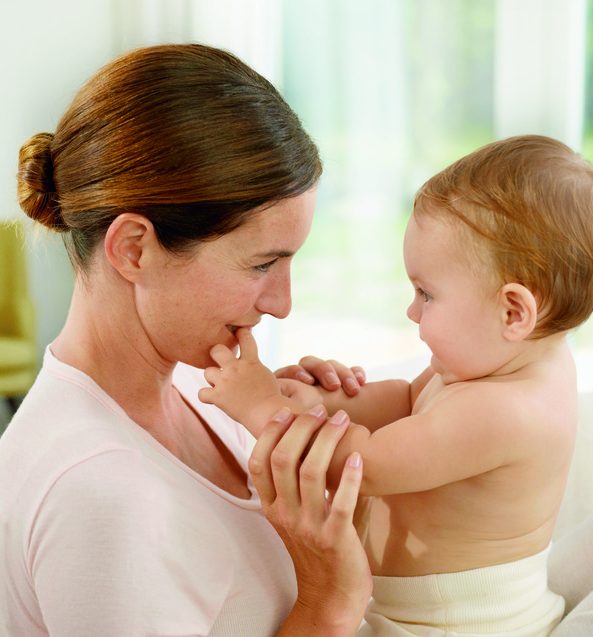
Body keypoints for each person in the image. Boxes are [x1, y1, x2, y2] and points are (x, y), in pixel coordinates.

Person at [0, 43, 373, 636]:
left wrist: (334, 470)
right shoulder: (100, 490)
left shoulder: (206, 391)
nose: (282, 303)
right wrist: (329, 602)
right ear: (134, 249)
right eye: (262, 264)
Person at [198, 135, 593, 636]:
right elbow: (407, 401)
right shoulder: (497, 360)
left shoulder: (507, 411)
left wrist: (261, 408)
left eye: (426, 294)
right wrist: (320, 401)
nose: (411, 311)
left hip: (457, 627)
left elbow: (366, 465)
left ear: (513, 312)